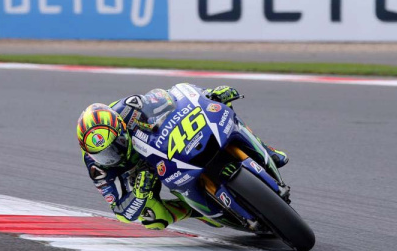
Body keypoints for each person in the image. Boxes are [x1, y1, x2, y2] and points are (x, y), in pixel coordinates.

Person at [76, 84, 289, 230]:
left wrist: (208, 94)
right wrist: (139, 194)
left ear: (121, 130)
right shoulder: (97, 168)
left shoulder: (129, 108)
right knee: (153, 218)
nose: (111, 156)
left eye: (115, 147)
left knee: (222, 108)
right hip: (143, 175)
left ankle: (265, 150)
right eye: (104, 154)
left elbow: (173, 97)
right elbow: (122, 212)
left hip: (162, 147)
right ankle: (198, 211)